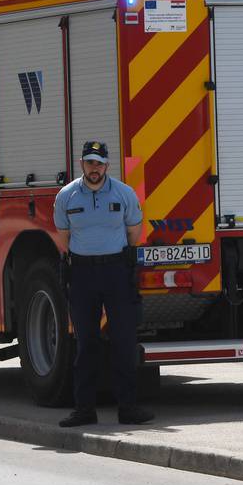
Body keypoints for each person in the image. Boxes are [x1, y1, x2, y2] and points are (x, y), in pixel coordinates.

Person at [52, 140, 153, 427]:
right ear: (81, 164)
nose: (93, 168)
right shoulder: (67, 196)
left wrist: (116, 258)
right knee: (86, 343)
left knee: (123, 341)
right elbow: (64, 236)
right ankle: (84, 410)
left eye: (98, 163)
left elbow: (134, 231)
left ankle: (128, 409)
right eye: (89, 162)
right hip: (83, 275)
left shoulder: (124, 193)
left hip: (116, 273)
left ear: (107, 165)